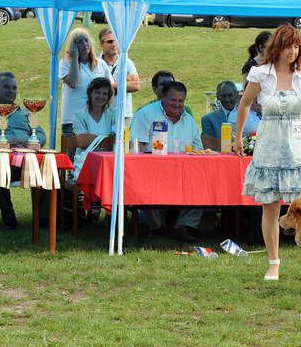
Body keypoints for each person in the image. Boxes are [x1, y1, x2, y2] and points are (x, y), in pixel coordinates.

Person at [234, 24, 301, 282]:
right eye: (288, 46)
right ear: (277, 47)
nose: (293, 51)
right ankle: (274, 263)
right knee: (270, 208)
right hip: (268, 145)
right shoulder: (260, 73)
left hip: (297, 147)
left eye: (296, 46)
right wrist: (237, 138)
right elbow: (245, 105)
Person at [130, 81, 203, 241]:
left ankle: (183, 226)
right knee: (144, 182)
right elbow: (136, 147)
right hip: (152, 171)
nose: (177, 104)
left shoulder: (189, 120)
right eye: (173, 100)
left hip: (184, 173)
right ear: (162, 98)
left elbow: (199, 150)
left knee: (203, 183)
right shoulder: (146, 114)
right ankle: (157, 226)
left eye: (181, 101)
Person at [0, 72, 46, 229]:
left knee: (50, 171)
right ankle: (10, 220)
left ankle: (45, 219)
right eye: (6, 87)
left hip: (29, 162)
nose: (11, 91)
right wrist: (1, 144)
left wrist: (30, 142)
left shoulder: (27, 113)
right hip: (1, 163)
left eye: (14, 88)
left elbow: (41, 135)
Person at [60, 28, 112, 136]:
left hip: (97, 120)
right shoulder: (65, 62)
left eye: (86, 40)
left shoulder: (101, 64)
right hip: (72, 120)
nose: (84, 44)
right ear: (73, 46)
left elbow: (110, 89)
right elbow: (73, 83)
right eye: (79, 42)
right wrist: (74, 58)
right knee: (73, 152)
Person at [72, 77, 116, 171]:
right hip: (85, 162)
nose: (101, 96)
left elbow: (118, 140)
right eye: (98, 92)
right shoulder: (79, 116)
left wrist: (92, 138)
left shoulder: (114, 114)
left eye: (105, 94)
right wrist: (107, 141)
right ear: (90, 93)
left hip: (109, 162)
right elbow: (82, 142)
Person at [201, 80, 259, 151]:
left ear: (236, 95)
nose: (227, 99)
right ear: (217, 96)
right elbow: (208, 146)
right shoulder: (208, 119)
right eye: (223, 96)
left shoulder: (248, 115)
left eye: (230, 95)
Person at [99, 28, 139, 126]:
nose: (114, 44)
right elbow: (98, 88)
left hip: (124, 115)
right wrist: (125, 83)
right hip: (102, 114)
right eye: (109, 41)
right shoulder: (96, 64)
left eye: (116, 41)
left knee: (125, 141)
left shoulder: (127, 62)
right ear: (101, 45)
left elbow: (136, 86)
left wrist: (112, 85)